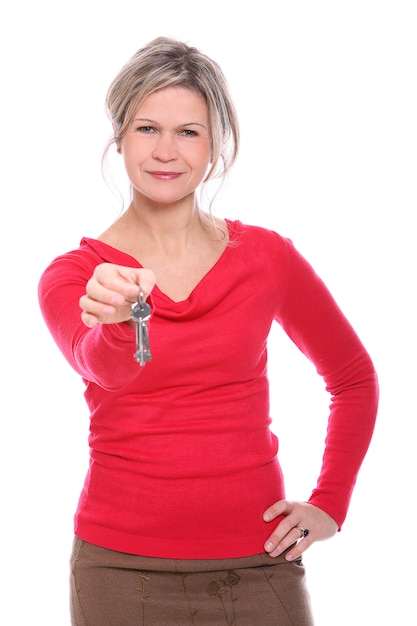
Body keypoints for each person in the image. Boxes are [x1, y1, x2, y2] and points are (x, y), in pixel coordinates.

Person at [38, 36, 379, 626]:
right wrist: (119, 322)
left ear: (216, 145)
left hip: (259, 562)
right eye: (147, 128)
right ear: (119, 136)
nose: (166, 151)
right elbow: (101, 367)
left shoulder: (267, 258)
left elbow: (353, 379)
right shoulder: (73, 275)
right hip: (119, 570)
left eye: (188, 132)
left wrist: (330, 504)